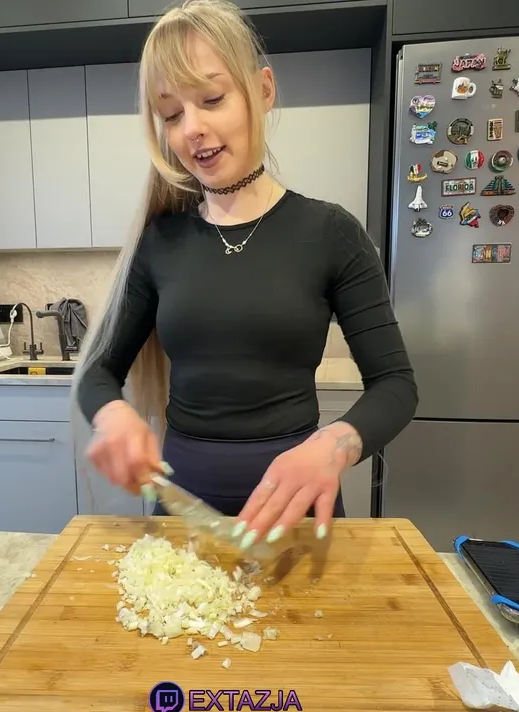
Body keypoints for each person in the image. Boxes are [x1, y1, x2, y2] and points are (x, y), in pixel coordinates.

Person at [71, 0, 418, 552]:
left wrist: (334, 445)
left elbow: (396, 385)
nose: (193, 129)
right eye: (171, 114)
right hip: (182, 519)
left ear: (263, 89)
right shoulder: (160, 240)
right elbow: (97, 372)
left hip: (294, 522)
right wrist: (112, 415)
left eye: (212, 99)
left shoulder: (331, 232)